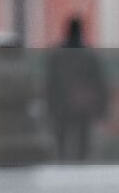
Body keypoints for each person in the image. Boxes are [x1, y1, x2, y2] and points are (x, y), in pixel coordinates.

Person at [45, 16, 109, 161]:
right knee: (82, 145)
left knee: (61, 143)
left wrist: (50, 106)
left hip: (61, 106)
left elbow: (50, 84)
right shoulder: (89, 55)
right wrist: (101, 108)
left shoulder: (57, 56)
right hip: (82, 106)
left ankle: (64, 168)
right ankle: (79, 170)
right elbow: (99, 84)